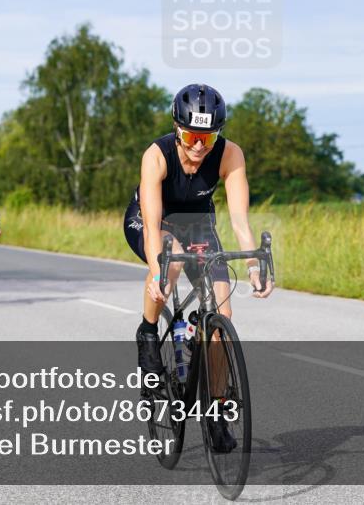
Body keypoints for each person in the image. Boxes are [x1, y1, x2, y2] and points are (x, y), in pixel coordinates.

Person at [123, 83, 274, 451]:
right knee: (169, 264)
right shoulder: (156, 155)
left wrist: (253, 266)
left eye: (207, 137)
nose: (198, 146)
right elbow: (154, 219)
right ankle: (146, 334)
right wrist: (159, 271)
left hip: (200, 226)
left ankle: (217, 414)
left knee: (223, 316)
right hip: (153, 223)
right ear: (178, 129)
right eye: (191, 135)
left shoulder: (230, 154)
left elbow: (239, 220)